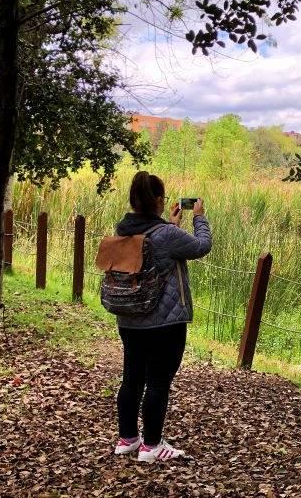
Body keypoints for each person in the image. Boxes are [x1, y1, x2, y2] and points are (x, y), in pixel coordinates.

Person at [112, 171, 211, 462]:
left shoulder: (124, 230)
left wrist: (171, 224)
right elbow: (202, 246)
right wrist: (199, 218)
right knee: (158, 381)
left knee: (131, 379)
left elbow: (158, 246)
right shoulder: (167, 235)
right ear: (158, 200)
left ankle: (128, 439)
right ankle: (152, 445)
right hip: (164, 323)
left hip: (129, 319)